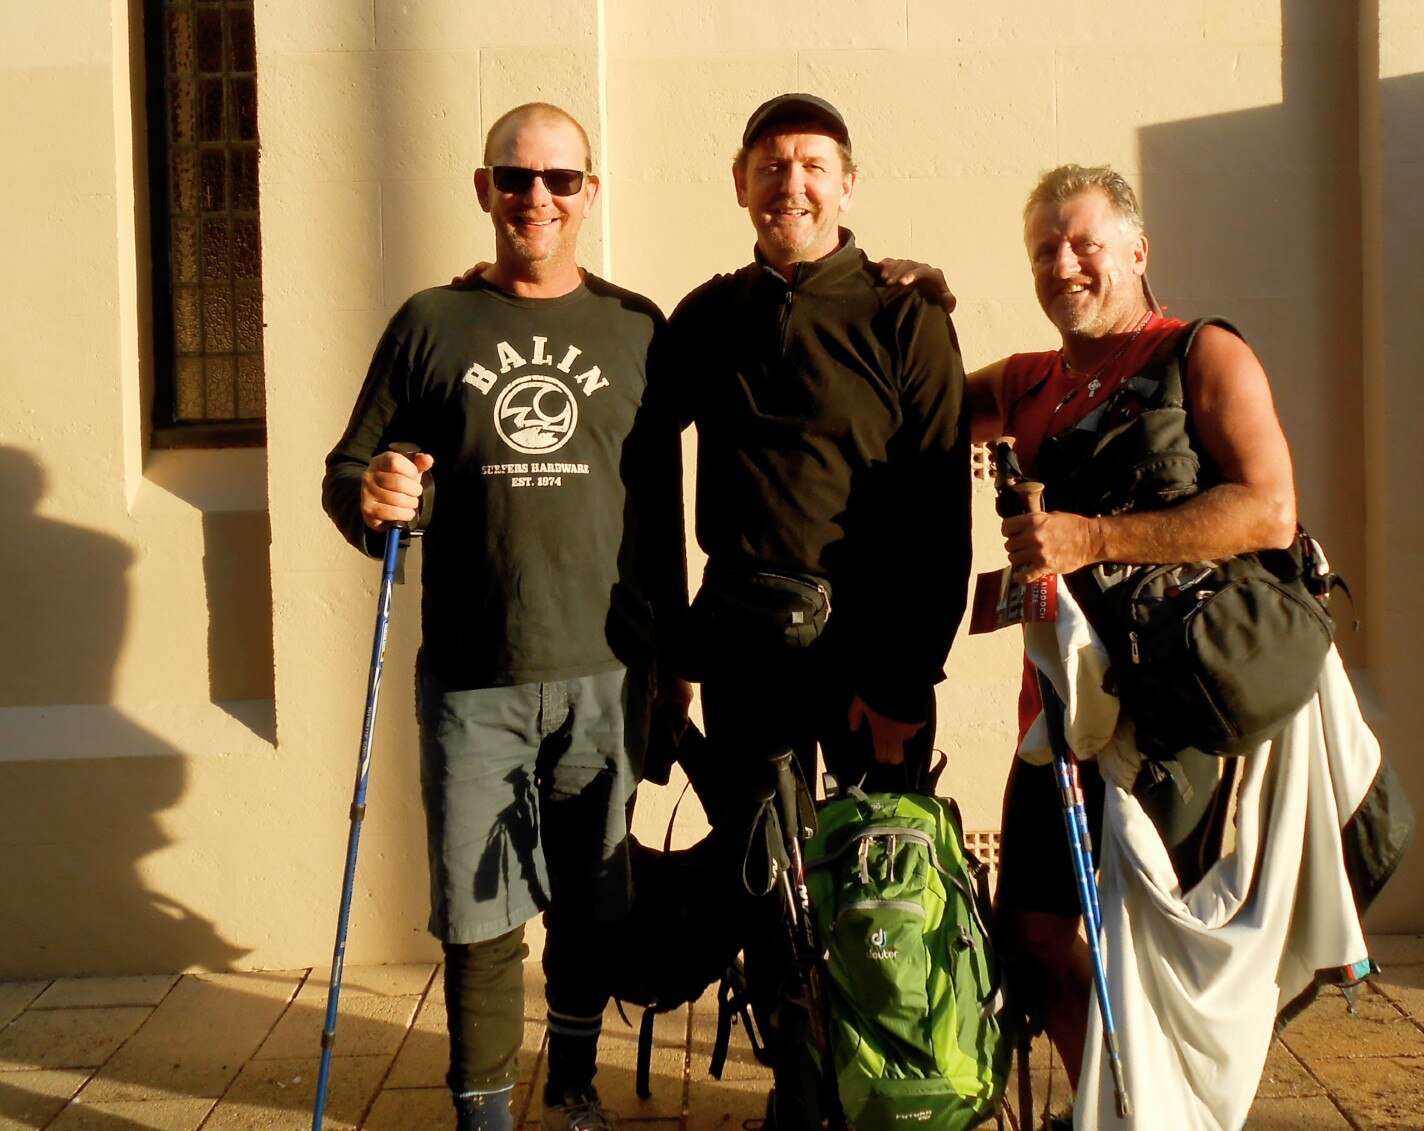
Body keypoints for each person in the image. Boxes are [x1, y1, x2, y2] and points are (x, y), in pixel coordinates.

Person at [322, 103, 688, 1131]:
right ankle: (483, 1116)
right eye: (516, 177)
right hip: (474, 673)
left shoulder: (635, 327)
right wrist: (377, 492)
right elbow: (354, 469)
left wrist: (675, 660)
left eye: (560, 180)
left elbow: (657, 507)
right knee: (477, 915)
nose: (538, 197)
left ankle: (570, 1084)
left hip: (607, 668)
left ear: (589, 193)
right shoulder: (431, 325)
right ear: (483, 187)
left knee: (595, 897)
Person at [653, 93, 971, 1126]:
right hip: (745, 641)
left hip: (872, 651)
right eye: (771, 165)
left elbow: (939, 506)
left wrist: (905, 678)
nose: (791, 183)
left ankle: (892, 1082)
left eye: (812, 166)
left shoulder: (904, 312)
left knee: (882, 884)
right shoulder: (706, 316)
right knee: (768, 887)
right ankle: (801, 1086)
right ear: (740, 181)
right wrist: (669, 646)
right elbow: (639, 465)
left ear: (845, 182)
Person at [964, 164, 1298, 1090]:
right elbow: (917, 403)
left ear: (1137, 250)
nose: (1063, 263)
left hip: (1175, 706)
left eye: (1084, 243)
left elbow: (1269, 512)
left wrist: (1092, 538)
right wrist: (901, 297)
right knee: (1033, 935)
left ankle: (1177, 1106)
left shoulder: (1200, 353)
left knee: (1162, 942)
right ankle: (1113, 1107)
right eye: (1044, 249)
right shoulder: (1029, 384)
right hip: (1060, 714)